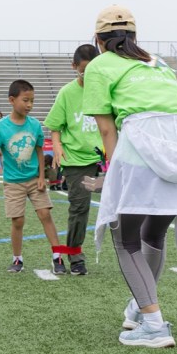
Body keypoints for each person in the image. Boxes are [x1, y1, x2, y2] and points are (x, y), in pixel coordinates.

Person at [81, 5, 177, 350]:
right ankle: (140, 304)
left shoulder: (100, 65)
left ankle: (153, 322)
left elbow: (107, 129)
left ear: (98, 40)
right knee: (155, 233)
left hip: (139, 149)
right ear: (135, 37)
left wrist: (112, 174)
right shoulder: (159, 62)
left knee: (126, 238)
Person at [0, 80, 64, 275]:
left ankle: (58, 256)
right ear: (12, 100)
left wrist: (40, 176)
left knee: (45, 214)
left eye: (32, 101)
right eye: (25, 100)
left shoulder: (35, 124)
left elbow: (39, 151)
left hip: (33, 179)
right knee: (18, 221)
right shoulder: (0, 127)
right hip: (13, 182)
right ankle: (17, 258)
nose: (29, 105)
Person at [45, 44, 103, 276]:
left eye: (93, 70)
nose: (88, 76)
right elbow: (55, 126)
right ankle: (75, 254)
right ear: (74, 67)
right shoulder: (67, 93)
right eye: (83, 70)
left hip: (106, 159)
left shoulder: (105, 90)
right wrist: (57, 146)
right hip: (78, 162)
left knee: (122, 205)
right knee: (80, 206)